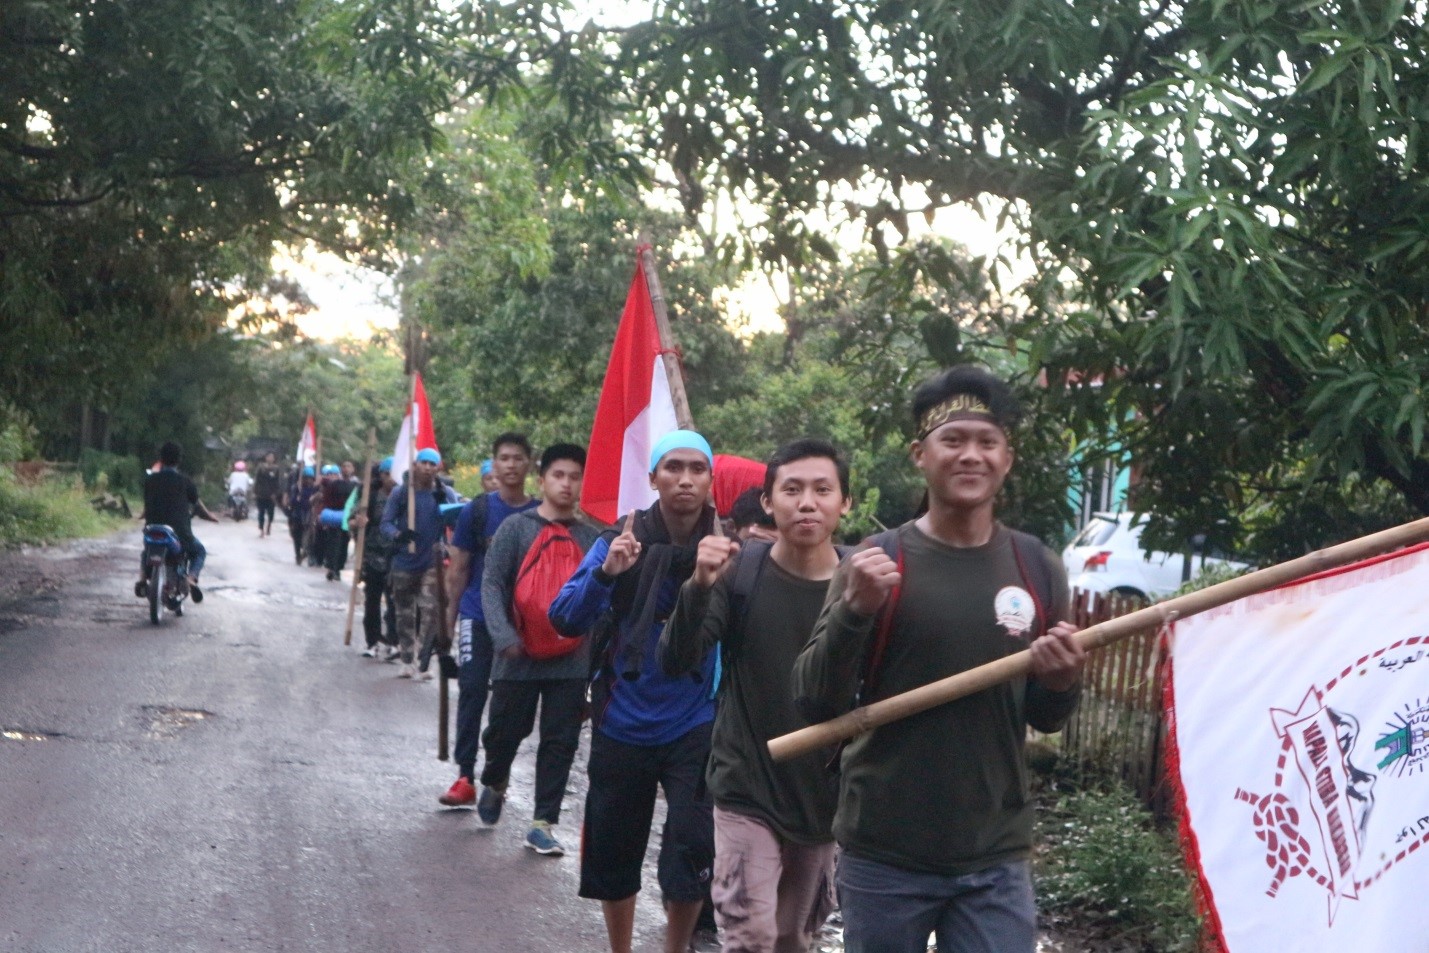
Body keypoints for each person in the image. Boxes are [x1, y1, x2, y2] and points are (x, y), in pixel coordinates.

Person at [791, 366, 1087, 953]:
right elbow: (812, 700)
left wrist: (1062, 681)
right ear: (920, 455)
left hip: (995, 853)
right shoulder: (876, 562)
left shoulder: (1036, 566)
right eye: (953, 440)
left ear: (1007, 458)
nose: (970, 455)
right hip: (885, 852)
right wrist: (854, 611)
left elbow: (1047, 717)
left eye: (986, 442)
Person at [660, 439, 850, 953]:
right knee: (750, 936)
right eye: (792, 490)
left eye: (822, 490)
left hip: (822, 798)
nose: (806, 503)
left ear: (845, 503)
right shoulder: (741, 572)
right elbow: (675, 659)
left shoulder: (863, 583)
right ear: (768, 501)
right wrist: (699, 586)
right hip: (746, 785)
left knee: (792, 938)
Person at [549, 429, 720, 953]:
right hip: (622, 716)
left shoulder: (726, 548)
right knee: (614, 849)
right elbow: (564, 618)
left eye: (697, 468)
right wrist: (606, 573)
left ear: (710, 480)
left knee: (692, 849)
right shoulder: (619, 540)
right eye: (673, 467)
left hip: (696, 720)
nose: (685, 479)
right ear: (652, 477)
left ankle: (676, 947)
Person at [471, 443, 600, 856]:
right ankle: (495, 780)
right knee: (503, 732)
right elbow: (492, 584)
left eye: (575, 477)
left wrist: (596, 664)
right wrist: (503, 636)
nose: (566, 484)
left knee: (561, 741)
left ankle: (543, 822)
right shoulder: (515, 529)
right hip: (517, 653)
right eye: (558, 475)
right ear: (542, 480)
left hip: (571, 658)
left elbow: (600, 598)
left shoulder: (591, 537)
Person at [438, 434, 539, 806]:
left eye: (518, 458)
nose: (510, 465)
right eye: (504, 458)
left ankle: (497, 770)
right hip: (477, 615)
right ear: (494, 465)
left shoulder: (541, 514)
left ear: (529, 464)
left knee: (513, 707)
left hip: (522, 624)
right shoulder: (477, 511)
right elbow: (458, 570)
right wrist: (447, 626)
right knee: (472, 690)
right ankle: (465, 775)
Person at [381, 448, 460, 679]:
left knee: (431, 611)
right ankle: (407, 659)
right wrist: (398, 535)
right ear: (415, 465)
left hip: (433, 562)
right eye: (423, 462)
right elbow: (386, 523)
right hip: (403, 562)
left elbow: (458, 523)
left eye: (432, 463)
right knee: (404, 614)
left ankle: (424, 661)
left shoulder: (445, 493)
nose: (427, 467)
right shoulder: (401, 492)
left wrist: (448, 515)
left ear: (438, 467)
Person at [135, 441, 219, 600]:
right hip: (179, 533)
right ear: (179, 460)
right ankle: (191, 579)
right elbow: (197, 504)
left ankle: (142, 579)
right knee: (199, 551)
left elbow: (147, 504)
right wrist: (209, 516)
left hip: (153, 530)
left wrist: (142, 515)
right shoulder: (185, 481)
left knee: (146, 552)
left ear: (161, 458)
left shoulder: (150, 480)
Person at [348, 457, 399, 659]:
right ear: (381, 475)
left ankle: (394, 641)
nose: (392, 479)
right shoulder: (370, 496)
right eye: (388, 475)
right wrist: (359, 521)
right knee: (372, 600)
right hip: (373, 554)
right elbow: (351, 520)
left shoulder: (404, 497)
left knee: (395, 601)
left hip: (396, 555)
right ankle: (372, 641)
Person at [318, 463, 356, 582]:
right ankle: (331, 567)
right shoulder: (333, 484)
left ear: (353, 469)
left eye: (349, 467)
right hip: (334, 517)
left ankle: (338, 568)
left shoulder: (355, 486)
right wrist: (324, 513)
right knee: (332, 542)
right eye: (344, 466)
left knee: (344, 543)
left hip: (347, 519)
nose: (346, 469)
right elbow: (326, 500)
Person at [286, 466, 318, 566]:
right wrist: (297, 499)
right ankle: (297, 554)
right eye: (306, 478)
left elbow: (315, 502)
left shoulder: (315, 489)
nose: (308, 480)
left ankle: (305, 552)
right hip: (297, 515)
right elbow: (292, 502)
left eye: (310, 478)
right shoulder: (297, 488)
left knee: (309, 537)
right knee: (297, 536)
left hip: (309, 516)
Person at [253, 451, 283, 538]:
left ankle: (269, 524)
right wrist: (255, 492)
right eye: (269, 457)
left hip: (271, 495)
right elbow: (257, 480)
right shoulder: (260, 467)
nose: (270, 458)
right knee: (261, 512)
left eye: (272, 457)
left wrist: (276, 493)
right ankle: (261, 529)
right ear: (266, 458)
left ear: (274, 459)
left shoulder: (276, 469)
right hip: (261, 494)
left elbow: (277, 482)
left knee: (271, 512)